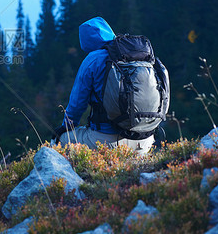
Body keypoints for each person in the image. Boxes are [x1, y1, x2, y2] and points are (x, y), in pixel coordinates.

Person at [51, 17, 155, 155]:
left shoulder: (93, 58)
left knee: (61, 140)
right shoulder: (141, 55)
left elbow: (77, 104)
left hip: (107, 143)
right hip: (145, 141)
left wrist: (65, 128)